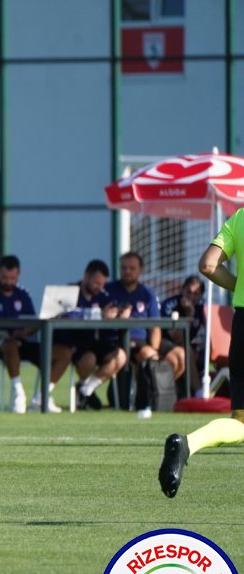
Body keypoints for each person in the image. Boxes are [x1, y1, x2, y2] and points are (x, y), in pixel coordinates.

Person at [160, 208, 244, 497]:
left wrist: (239, 287)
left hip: (242, 325)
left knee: (241, 423)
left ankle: (187, 445)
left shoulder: (239, 218)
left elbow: (208, 265)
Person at [0, 255, 66, 413]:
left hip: (22, 342)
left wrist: (24, 332)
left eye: (12, 278)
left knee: (64, 353)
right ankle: (18, 392)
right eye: (5, 278)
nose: (8, 282)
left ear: (18, 274)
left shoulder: (23, 294)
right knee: (10, 345)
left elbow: (34, 323)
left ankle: (42, 397)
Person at [52, 259, 128, 410]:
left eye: (102, 284)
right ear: (86, 276)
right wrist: (99, 313)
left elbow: (111, 310)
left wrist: (118, 314)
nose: (99, 287)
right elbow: (69, 313)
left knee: (120, 356)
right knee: (89, 359)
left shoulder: (102, 295)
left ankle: (85, 390)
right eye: (96, 282)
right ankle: (84, 392)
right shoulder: (70, 291)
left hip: (93, 341)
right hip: (71, 343)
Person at [106, 251, 178, 410]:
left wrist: (155, 348)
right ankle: (139, 400)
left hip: (141, 340)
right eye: (124, 268)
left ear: (140, 270)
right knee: (147, 355)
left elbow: (155, 325)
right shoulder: (108, 290)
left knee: (177, 356)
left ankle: (169, 397)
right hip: (114, 341)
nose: (127, 271)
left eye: (132, 268)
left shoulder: (148, 294)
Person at [159, 275, 205, 397]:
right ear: (182, 290)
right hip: (163, 342)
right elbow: (176, 337)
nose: (192, 296)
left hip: (185, 344)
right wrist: (189, 314)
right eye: (189, 292)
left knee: (204, 352)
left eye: (196, 294)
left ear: (201, 296)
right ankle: (199, 392)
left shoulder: (202, 307)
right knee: (187, 351)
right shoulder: (170, 304)